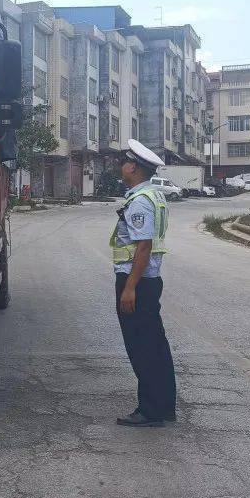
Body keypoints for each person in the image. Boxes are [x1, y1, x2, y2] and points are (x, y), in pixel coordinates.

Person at [110, 139, 176, 427]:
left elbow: (144, 247)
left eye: (125, 162)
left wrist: (129, 288)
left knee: (143, 347)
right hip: (149, 281)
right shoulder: (154, 194)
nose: (121, 166)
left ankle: (151, 410)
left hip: (138, 282)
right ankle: (163, 406)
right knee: (155, 345)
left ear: (133, 167)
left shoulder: (140, 200)